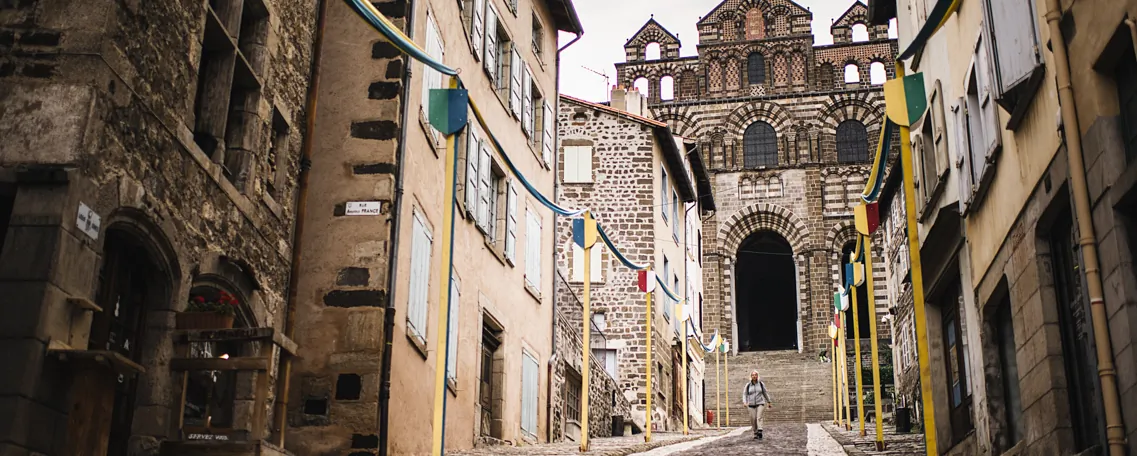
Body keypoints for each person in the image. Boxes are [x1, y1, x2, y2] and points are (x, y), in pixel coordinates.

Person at [741, 370, 773, 439]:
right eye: (753, 375)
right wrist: (744, 402)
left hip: (760, 403)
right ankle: (755, 433)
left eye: (755, 375)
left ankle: (760, 430)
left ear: (757, 376)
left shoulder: (761, 384)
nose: (754, 376)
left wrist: (769, 401)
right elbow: (745, 394)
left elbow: (765, 393)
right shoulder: (748, 385)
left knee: (759, 417)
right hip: (750, 404)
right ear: (751, 376)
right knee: (753, 419)